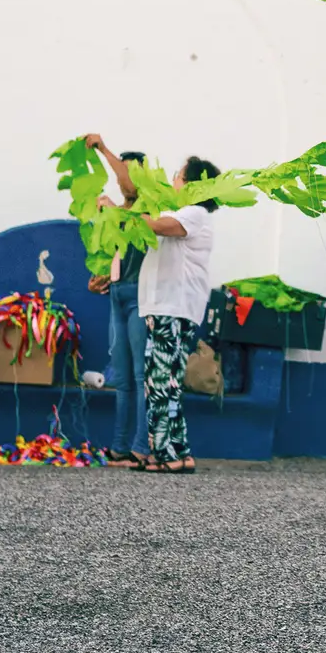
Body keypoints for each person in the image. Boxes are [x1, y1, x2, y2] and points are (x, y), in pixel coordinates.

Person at [136, 155, 221, 473]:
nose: (173, 181)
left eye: (178, 176)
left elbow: (164, 226)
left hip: (172, 308)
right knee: (167, 382)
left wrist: (133, 216)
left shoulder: (194, 212)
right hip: (170, 308)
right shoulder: (189, 213)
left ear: (192, 184)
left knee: (160, 381)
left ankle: (166, 455)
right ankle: (178, 451)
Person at [83, 136, 152, 467]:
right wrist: (101, 279)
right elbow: (113, 255)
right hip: (117, 296)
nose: (123, 181)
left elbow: (135, 226)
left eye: (127, 174)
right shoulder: (115, 212)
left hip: (141, 297)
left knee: (140, 377)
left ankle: (141, 447)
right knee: (123, 379)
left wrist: (102, 148)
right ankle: (119, 448)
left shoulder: (149, 208)